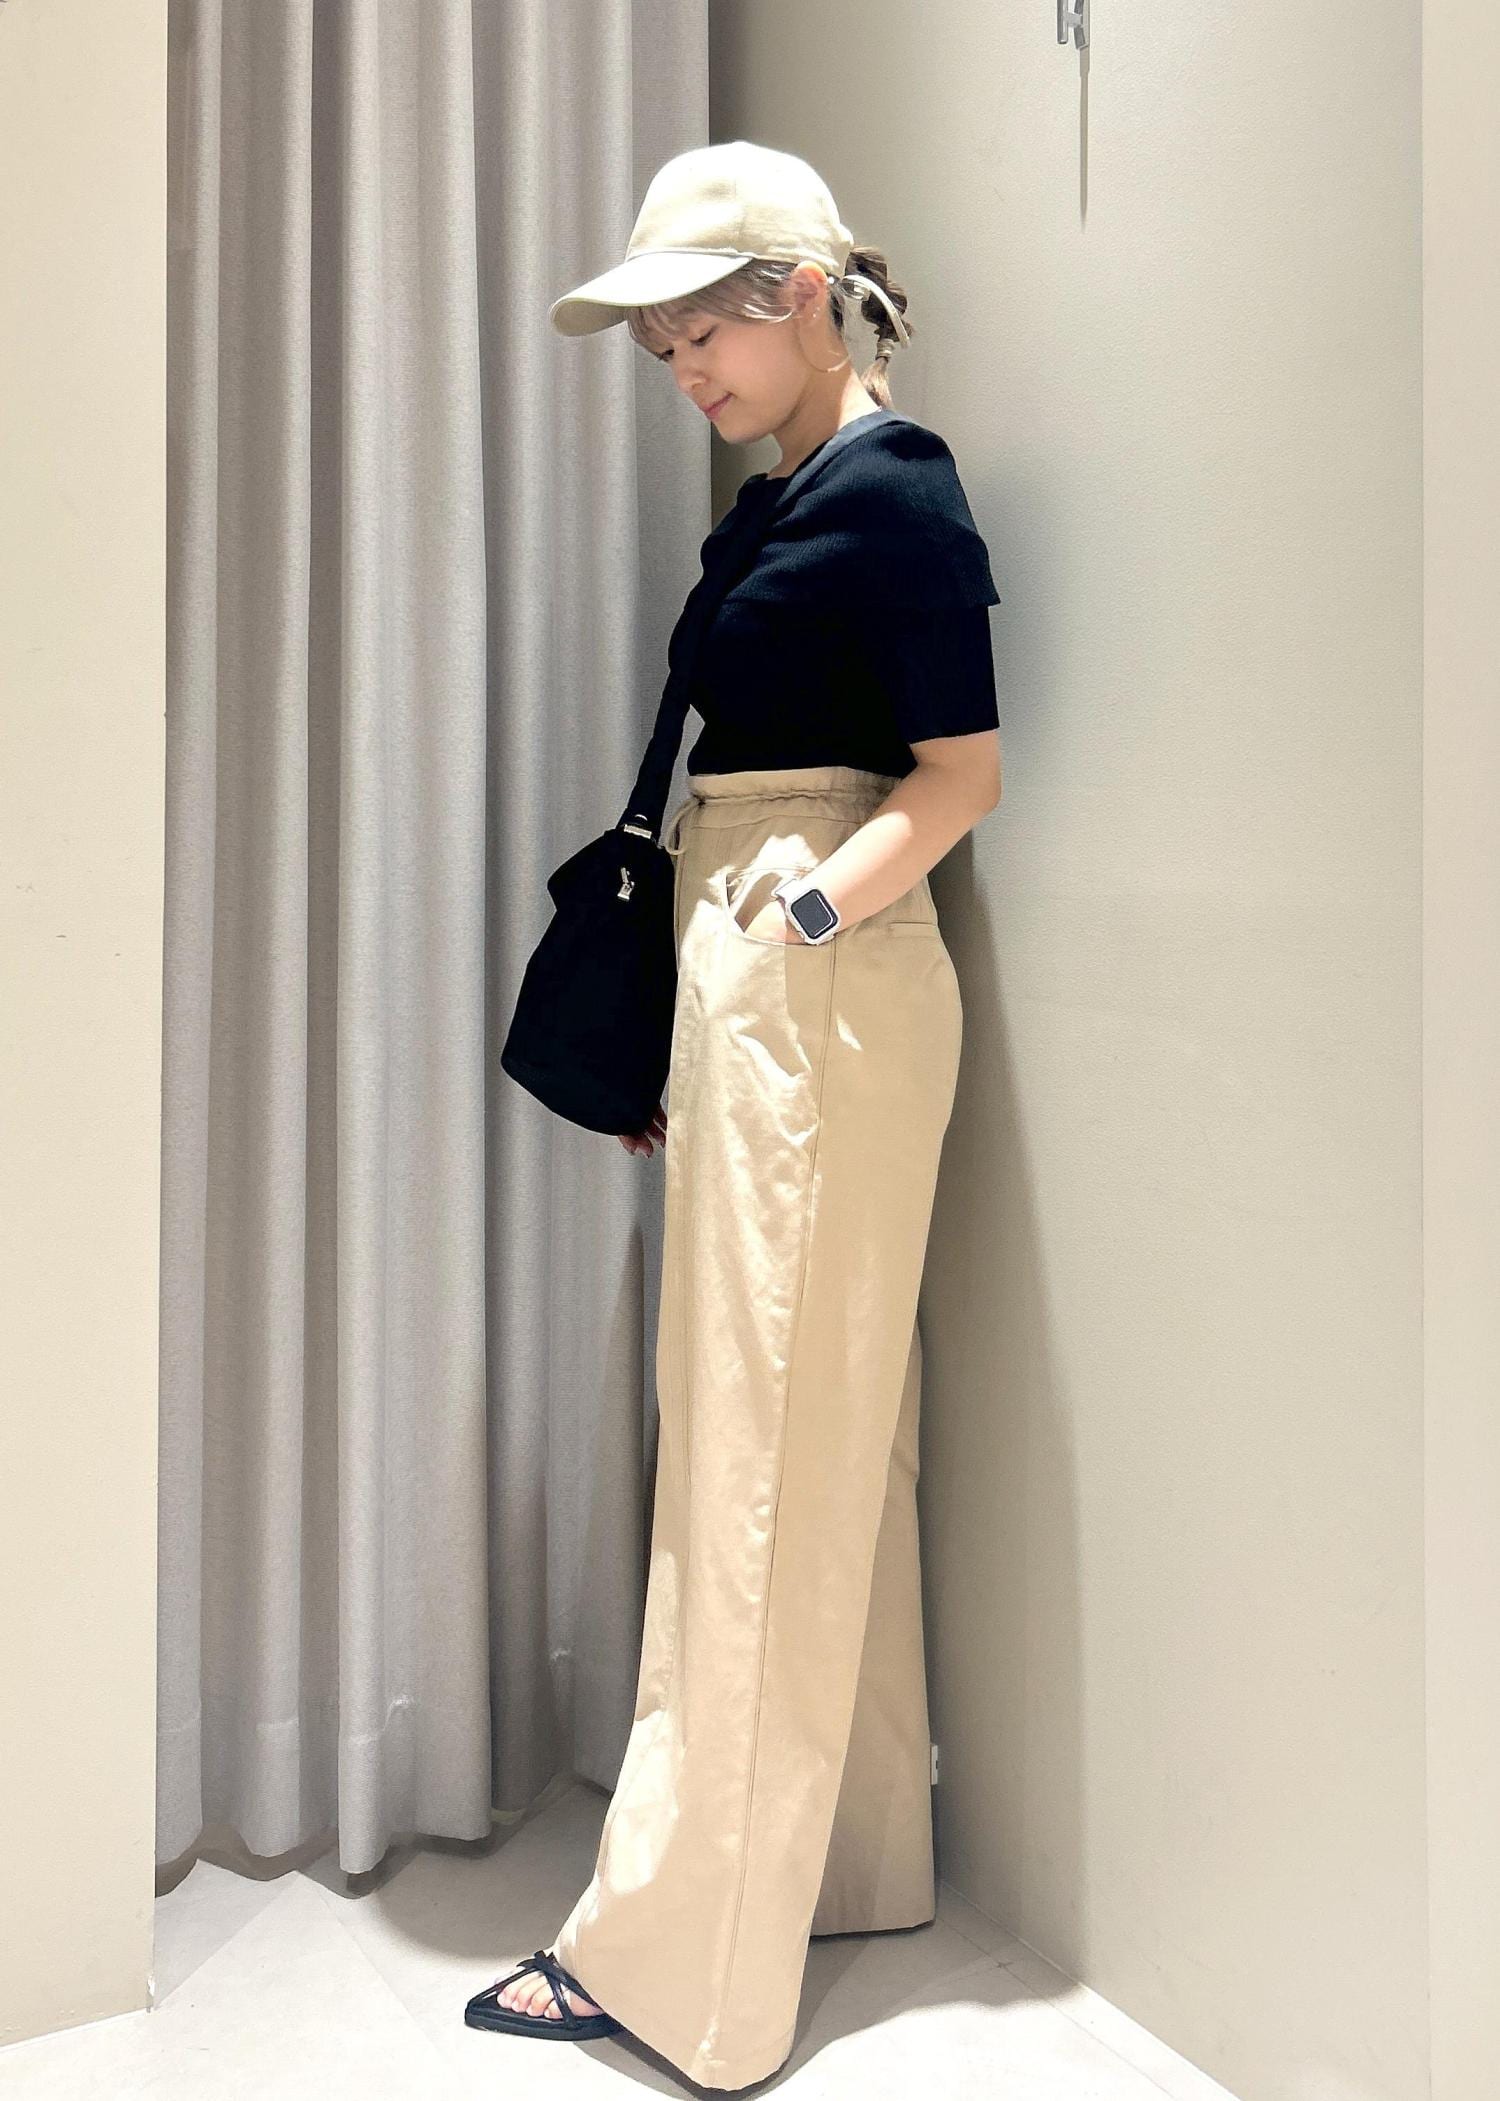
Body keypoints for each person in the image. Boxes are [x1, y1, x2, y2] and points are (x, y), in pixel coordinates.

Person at [464, 141, 1003, 2090]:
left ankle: (682, 1964)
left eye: (702, 324)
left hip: (815, 956)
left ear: (798, 296)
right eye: (662, 340)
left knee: (761, 1449)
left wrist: (795, 924)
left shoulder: (897, 490)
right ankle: (837, 1866)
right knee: (803, 1425)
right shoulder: (786, 497)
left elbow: (958, 774)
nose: (681, 363)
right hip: (759, 958)